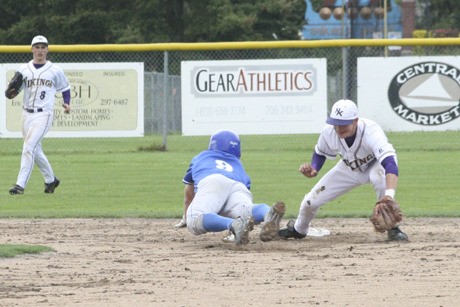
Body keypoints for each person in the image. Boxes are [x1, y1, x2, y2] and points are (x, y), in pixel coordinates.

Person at [278, 99, 408, 241]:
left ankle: (393, 229)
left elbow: (389, 163)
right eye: (336, 124)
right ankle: (299, 230)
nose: (339, 128)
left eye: (343, 124)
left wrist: (389, 195)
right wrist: (314, 168)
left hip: (375, 164)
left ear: (355, 121)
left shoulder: (371, 131)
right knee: (310, 201)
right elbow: (320, 152)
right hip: (349, 167)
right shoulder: (329, 131)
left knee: (379, 176)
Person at [181, 129, 286, 245]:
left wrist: (186, 216)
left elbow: (189, 192)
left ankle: (234, 225)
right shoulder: (237, 164)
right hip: (239, 185)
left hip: (212, 181)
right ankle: (268, 214)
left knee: (195, 219)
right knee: (245, 210)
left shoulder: (201, 157)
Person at [6, 35, 71, 195]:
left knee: (28, 147)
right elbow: (15, 90)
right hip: (26, 115)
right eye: (37, 47)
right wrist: (10, 92)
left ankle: (20, 185)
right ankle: (51, 180)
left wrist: (67, 102)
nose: (40, 50)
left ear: (47, 49)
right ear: (32, 49)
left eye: (43, 47)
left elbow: (65, 87)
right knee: (35, 149)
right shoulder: (23, 69)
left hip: (44, 115)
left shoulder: (55, 70)